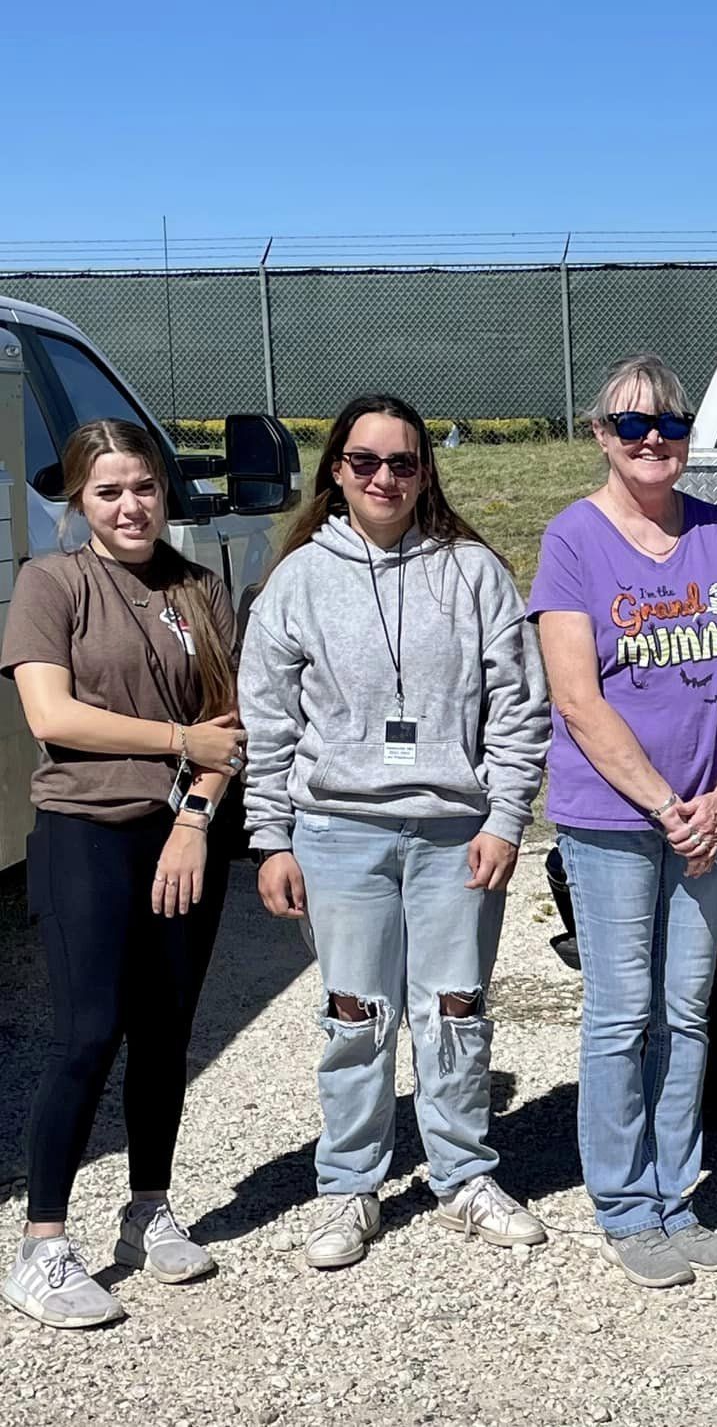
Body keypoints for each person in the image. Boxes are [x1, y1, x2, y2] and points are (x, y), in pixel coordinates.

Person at [241, 393, 550, 1271]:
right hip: (339, 832)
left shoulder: (474, 572)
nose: (385, 478)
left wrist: (505, 816)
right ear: (337, 470)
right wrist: (271, 838)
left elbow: (520, 709)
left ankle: (462, 1175)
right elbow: (265, 720)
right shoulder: (299, 580)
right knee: (355, 1014)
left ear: (426, 472)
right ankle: (348, 1183)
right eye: (366, 462)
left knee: (455, 1009)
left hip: (456, 832)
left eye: (403, 463)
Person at [531, 354, 717, 1289]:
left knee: (687, 1011)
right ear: (601, 435)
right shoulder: (574, 541)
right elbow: (577, 699)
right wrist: (669, 806)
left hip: (710, 818)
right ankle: (625, 1204)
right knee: (622, 1011)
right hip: (615, 820)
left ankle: (678, 1192)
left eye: (669, 423)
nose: (653, 440)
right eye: (632, 425)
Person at [0, 420, 244, 1328]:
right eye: (108, 492)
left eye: (142, 486)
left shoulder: (199, 588)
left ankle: (148, 1210)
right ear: (78, 501)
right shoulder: (51, 582)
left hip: (182, 837)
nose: (131, 506)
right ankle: (42, 1247)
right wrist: (180, 743)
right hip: (86, 833)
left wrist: (193, 818)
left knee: (165, 1033)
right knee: (88, 1033)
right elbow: (53, 713)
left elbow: (232, 725)